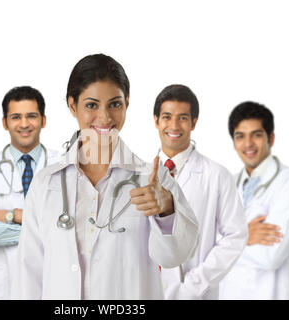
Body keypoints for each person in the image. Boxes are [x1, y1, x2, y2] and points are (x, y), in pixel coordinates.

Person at [13, 54, 199, 300]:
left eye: (114, 104)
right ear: (72, 105)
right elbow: (29, 274)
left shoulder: (151, 178)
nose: (105, 117)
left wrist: (166, 209)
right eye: (91, 105)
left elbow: (175, 257)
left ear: (127, 104)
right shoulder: (46, 183)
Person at [0, 86, 60, 299]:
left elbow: (73, 226)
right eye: (16, 117)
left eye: (31, 116)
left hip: (52, 278)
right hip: (2, 283)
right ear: (5, 122)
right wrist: (44, 229)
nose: (24, 124)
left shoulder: (63, 165)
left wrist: (7, 216)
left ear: (43, 120)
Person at [154, 84, 248, 300]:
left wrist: (194, 284)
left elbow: (236, 236)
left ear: (194, 122)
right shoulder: (137, 175)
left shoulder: (216, 176)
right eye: (167, 117)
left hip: (194, 294)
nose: (174, 125)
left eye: (183, 118)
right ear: (156, 120)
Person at [219, 101, 289, 300]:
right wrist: (245, 235)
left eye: (256, 135)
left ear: (271, 138)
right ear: (233, 142)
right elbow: (201, 251)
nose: (248, 144)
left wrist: (228, 241)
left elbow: (270, 256)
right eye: (240, 136)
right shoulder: (228, 184)